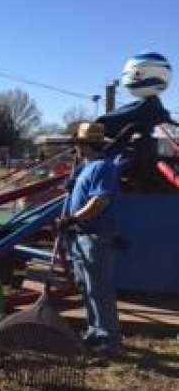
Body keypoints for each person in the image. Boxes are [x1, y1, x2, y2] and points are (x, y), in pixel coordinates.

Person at [56, 122, 121, 358]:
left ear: (86, 144)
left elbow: (99, 202)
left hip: (95, 237)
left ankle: (109, 341)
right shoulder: (85, 167)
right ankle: (95, 333)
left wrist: (72, 218)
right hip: (80, 237)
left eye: (78, 144)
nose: (75, 148)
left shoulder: (104, 167)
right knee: (87, 289)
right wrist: (72, 187)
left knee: (99, 290)